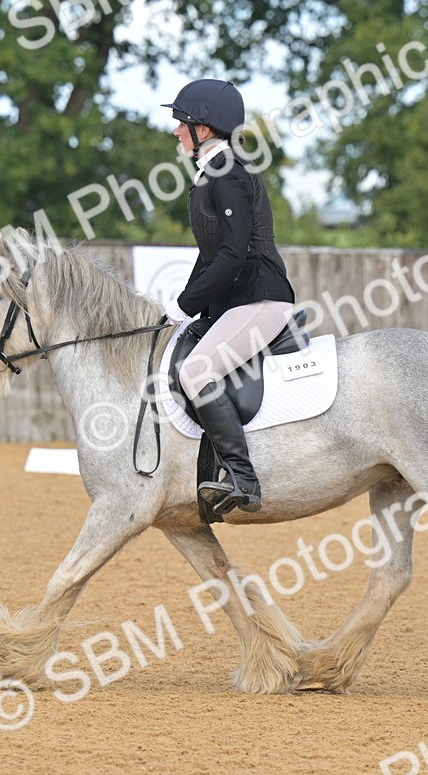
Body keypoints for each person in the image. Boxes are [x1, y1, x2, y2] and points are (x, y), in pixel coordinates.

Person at [161, 78, 296, 514]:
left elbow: (234, 256)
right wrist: (186, 305)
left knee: (198, 372)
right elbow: (211, 256)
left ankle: (242, 477)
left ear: (205, 129)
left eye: (182, 123)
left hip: (261, 298)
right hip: (236, 303)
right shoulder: (210, 174)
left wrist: (184, 304)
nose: (175, 131)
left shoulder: (230, 172)